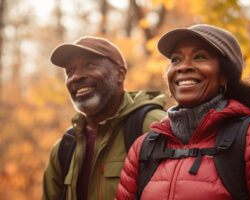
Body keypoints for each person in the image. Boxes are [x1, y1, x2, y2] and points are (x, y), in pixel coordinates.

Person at [115, 24, 250, 199]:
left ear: (225, 75)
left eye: (200, 57)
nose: (183, 66)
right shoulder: (143, 148)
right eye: (175, 59)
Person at [41, 36, 167, 200]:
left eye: (89, 65)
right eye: (70, 71)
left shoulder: (155, 127)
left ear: (120, 74)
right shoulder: (65, 146)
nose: (76, 77)